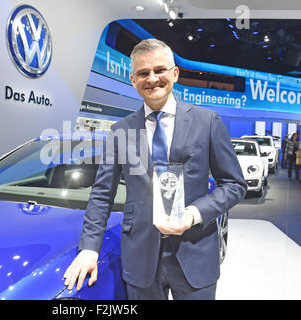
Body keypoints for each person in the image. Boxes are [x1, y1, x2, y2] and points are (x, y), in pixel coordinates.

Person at [63, 39, 247, 300]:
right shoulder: (121, 131)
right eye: (143, 73)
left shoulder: (207, 122)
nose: (152, 79)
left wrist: (194, 213)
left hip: (195, 253)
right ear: (133, 80)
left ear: (175, 73)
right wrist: (90, 248)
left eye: (159, 70)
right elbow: (102, 194)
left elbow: (234, 185)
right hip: (140, 257)